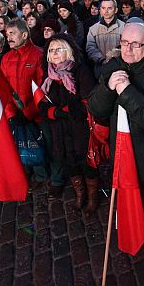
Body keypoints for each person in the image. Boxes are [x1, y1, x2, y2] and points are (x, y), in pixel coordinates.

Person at [88, 22, 144, 260]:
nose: (128, 49)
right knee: (129, 200)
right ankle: (133, 233)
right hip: (123, 153)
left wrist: (126, 90)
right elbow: (96, 108)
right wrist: (108, 87)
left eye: (135, 44)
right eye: (124, 43)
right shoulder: (114, 66)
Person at [0, 18, 64, 199]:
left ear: (24, 35)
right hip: (17, 114)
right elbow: (3, 88)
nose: (8, 37)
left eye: (12, 33)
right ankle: (40, 175)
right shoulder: (6, 58)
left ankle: (57, 179)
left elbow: (43, 88)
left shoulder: (39, 55)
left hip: (39, 114)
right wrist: (11, 113)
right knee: (28, 145)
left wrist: (29, 112)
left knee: (52, 145)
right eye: (7, 34)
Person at [38, 34, 99, 213]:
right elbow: (42, 104)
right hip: (59, 129)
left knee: (87, 163)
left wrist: (66, 110)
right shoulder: (47, 76)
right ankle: (80, 194)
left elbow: (88, 101)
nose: (54, 53)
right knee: (69, 162)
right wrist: (53, 112)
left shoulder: (80, 71)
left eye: (59, 49)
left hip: (80, 128)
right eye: (51, 50)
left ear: (69, 51)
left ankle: (93, 198)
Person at [86, 0, 125, 78]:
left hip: (120, 66)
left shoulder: (124, 27)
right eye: (103, 8)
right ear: (100, 10)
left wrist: (115, 55)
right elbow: (90, 47)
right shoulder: (93, 29)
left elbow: (127, 45)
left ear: (116, 10)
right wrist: (102, 60)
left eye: (109, 8)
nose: (106, 11)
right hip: (100, 67)